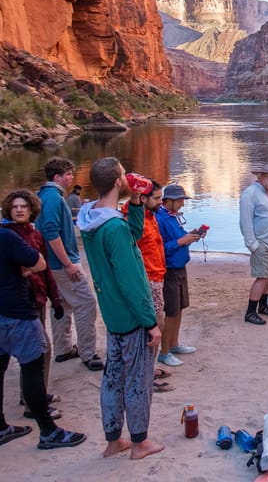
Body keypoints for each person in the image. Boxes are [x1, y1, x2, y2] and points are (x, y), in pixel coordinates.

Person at [0, 182, 86, 450]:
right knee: (33, 368)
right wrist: (24, 269)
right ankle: (48, 432)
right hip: (16, 312)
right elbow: (38, 262)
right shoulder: (3, 237)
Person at [77, 158, 164, 459]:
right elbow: (130, 281)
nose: (129, 178)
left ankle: (113, 441)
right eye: (123, 175)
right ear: (117, 182)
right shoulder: (112, 227)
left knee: (113, 377)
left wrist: (137, 201)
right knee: (138, 380)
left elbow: (133, 237)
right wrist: (150, 321)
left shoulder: (93, 217)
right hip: (130, 317)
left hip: (112, 315)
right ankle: (139, 443)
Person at [0, 190, 65, 417]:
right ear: (8, 209)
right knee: (38, 351)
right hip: (21, 302)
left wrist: (55, 300)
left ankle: (33, 393)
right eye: (15, 206)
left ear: (31, 210)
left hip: (38, 300)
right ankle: (33, 404)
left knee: (39, 349)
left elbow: (46, 270)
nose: (19, 210)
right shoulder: (6, 236)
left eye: (24, 207)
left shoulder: (35, 236)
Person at [36, 157, 102, 371]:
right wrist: (68, 264)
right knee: (86, 303)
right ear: (57, 177)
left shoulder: (44, 196)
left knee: (62, 304)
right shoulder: (54, 199)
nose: (71, 178)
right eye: (68, 175)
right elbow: (50, 231)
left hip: (51, 263)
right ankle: (88, 353)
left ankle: (63, 349)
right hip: (62, 263)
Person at [121, 181, 174, 392]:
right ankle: (144, 374)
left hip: (157, 275)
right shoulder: (133, 220)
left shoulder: (151, 216)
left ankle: (148, 368)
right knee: (151, 327)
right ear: (142, 199)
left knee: (157, 324)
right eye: (157, 198)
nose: (161, 202)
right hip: (147, 278)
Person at [155, 184, 201, 367]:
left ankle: (174, 344)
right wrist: (181, 241)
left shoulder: (173, 217)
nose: (183, 203)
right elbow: (158, 249)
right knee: (171, 311)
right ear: (169, 201)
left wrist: (191, 236)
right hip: (169, 270)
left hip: (180, 267)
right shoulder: (160, 219)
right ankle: (164, 352)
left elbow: (179, 237)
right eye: (180, 200)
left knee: (180, 307)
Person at [239, 164, 268, 325]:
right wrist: (252, 244)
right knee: (262, 276)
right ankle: (250, 312)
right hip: (261, 243)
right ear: (260, 176)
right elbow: (245, 221)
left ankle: (263, 306)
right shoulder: (250, 194)